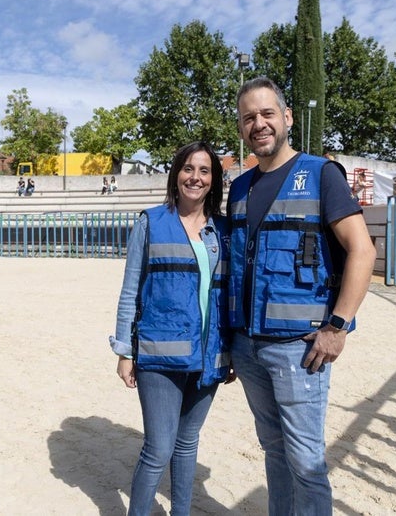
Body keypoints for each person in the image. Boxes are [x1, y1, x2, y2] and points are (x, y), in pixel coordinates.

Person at [227, 77, 376, 515]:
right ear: (241, 128)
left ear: (287, 118)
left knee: (306, 461)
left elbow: (362, 251)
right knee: (274, 452)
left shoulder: (320, 174)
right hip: (248, 346)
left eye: (267, 113)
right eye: (249, 117)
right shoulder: (240, 187)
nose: (259, 124)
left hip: (299, 348)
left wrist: (338, 326)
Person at [109, 141, 233, 516]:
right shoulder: (151, 222)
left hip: (209, 354)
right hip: (159, 355)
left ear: (214, 180)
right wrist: (124, 351)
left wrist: (233, 353)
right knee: (159, 448)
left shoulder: (223, 230)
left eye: (204, 171)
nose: (195, 177)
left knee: (187, 442)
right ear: (176, 174)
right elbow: (131, 290)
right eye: (188, 169)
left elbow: (229, 295)